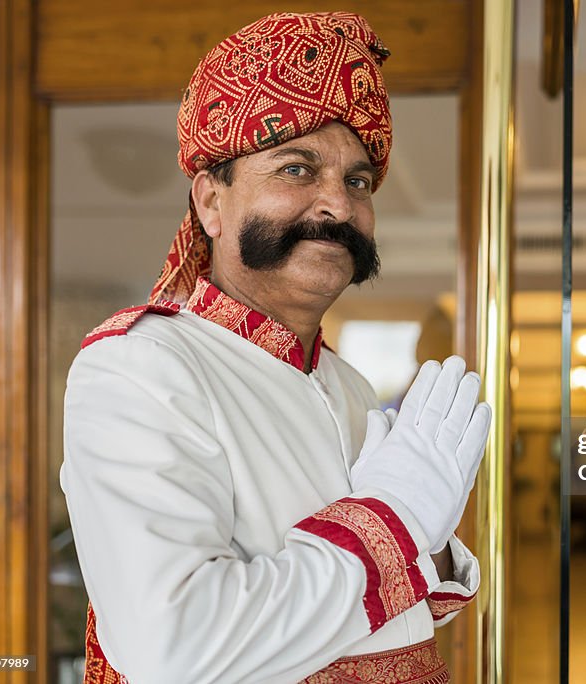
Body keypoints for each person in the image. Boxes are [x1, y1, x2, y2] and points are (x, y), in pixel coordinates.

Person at [60, 11, 490, 683]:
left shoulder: (344, 383)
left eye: (357, 181)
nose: (339, 207)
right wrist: (398, 520)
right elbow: (177, 647)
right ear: (211, 203)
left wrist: (424, 545)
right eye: (297, 169)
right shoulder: (140, 365)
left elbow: (375, 611)